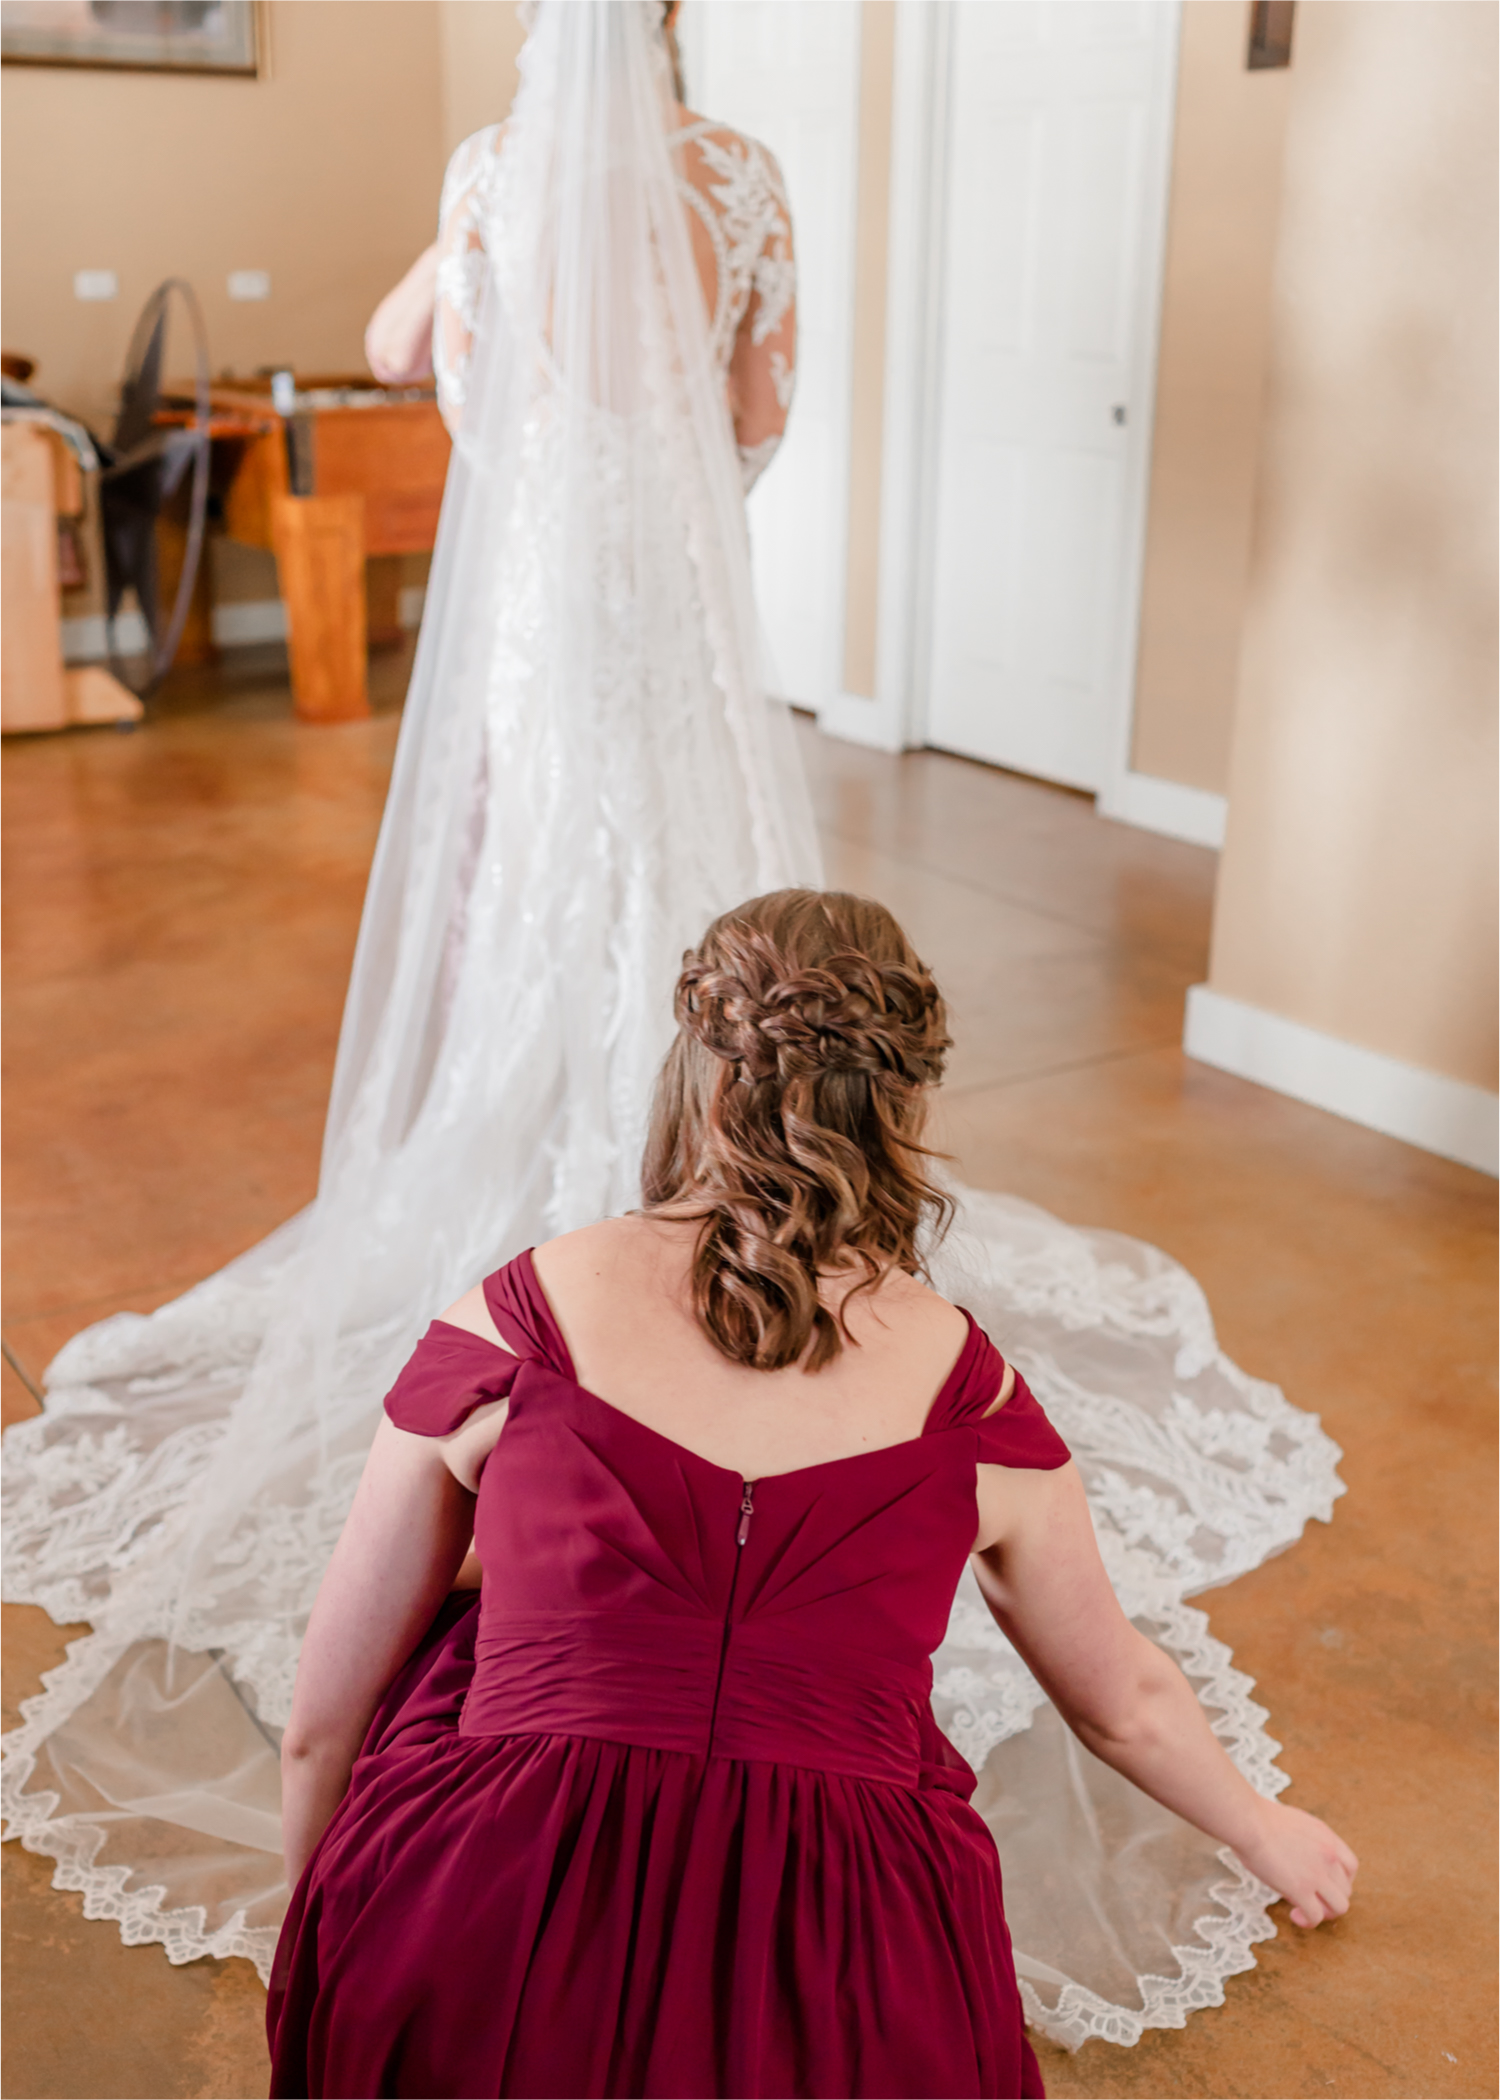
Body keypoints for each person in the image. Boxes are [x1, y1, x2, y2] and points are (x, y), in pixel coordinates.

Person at [1, 0, 1346, 2054]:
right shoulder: (744, 182)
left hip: (540, 593)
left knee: (544, 894)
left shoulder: (485, 179)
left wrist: (500, 327)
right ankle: (762, 1159)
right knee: (701, 876)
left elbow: (401, 360)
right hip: (664, 586)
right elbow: (756, 405)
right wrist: (673, 468)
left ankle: (611, 1186)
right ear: (677, 30)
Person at [266, 889, 1356, 2100]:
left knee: (461, 1618)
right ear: (906, 1105)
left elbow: (326, 1711)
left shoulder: (510, 1328)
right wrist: (1264, 1830)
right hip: (847, 1958)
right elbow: (1122, 1703)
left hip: (488, 1911)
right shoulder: (973, 1402)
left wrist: (322, 1934)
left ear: (696, 1068)